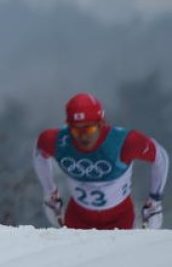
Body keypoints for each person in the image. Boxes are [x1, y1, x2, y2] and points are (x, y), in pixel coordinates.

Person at [33, 92, 167, 230]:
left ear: (101, 123)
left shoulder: (124, 142)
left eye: (89, 128)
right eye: (75, 130)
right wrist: (50, 193)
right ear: (68, 127)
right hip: (78, 218)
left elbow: (160, 157)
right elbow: (40, 151)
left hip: (120, 219)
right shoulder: (57, 141)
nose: (83, 137)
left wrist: (154, 200)